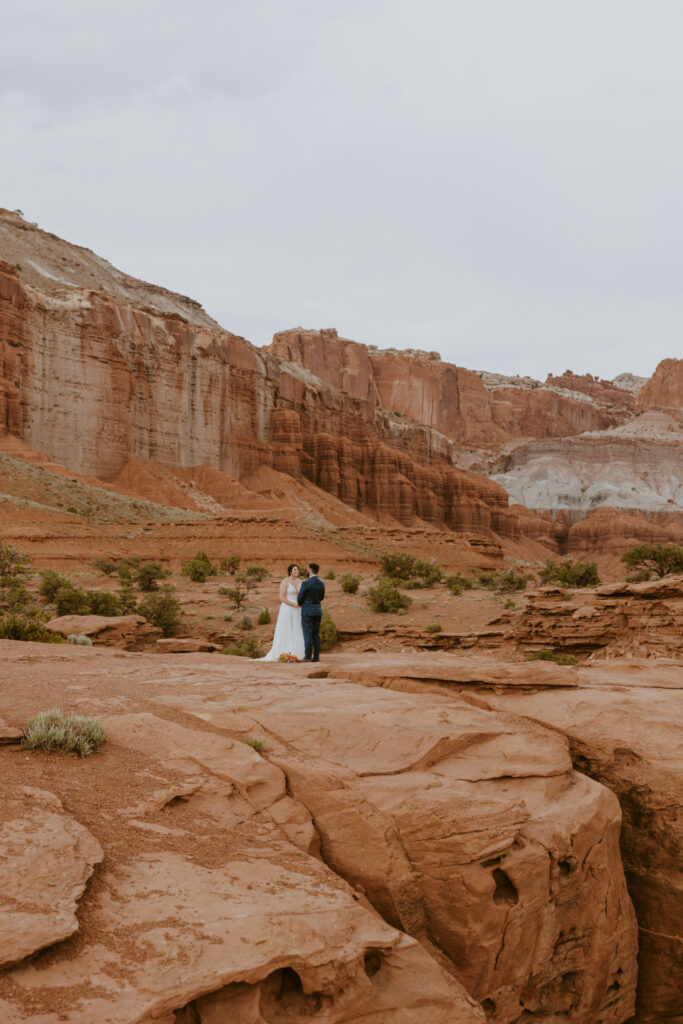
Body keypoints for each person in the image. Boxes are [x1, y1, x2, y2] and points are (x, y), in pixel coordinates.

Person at [258, 563, 305, 661]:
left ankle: (298, 652)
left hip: (298, 608)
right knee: (287, 628)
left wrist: (301, 604)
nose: (297, 571)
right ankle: (285, 652)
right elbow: (282, 597)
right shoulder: (285, 581)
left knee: (298, 628)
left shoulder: (301, 581)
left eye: (297, 570)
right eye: (295, 570)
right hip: (288, 608)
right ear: (290, 571)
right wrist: (293, 605)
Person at [297, 562, 325, 662]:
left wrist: (302, 603)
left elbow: (300, 597)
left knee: (307, 634)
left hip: (307, 611)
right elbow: (321, 597)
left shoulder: (306, 583)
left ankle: (308, 656)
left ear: (310, 570)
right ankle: (316, 657)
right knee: (316, 634)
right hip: (317, 610)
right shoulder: (321, 583)